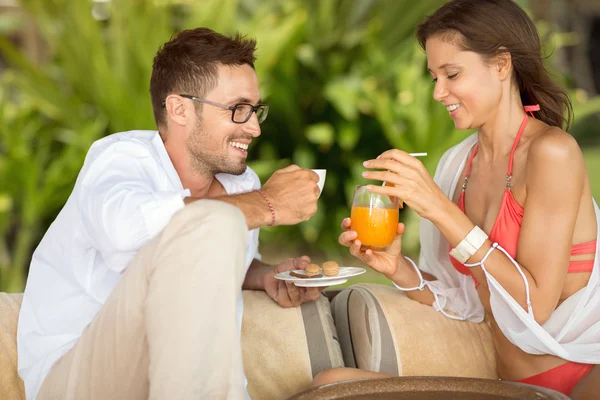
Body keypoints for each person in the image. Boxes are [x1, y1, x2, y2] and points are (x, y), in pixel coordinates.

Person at [313, 0, 600, 398]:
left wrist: (441, 209)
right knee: (330, 387)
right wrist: (399, 268)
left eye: (451, 74)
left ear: (502, 65)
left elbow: (536, 306)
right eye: (434, 77)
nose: (438, 93)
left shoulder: (552, 152)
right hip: (509, 384)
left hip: (581, 374)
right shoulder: (459, 162)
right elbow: (465, 300)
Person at [17, 28, 324, 400]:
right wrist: (268, 205)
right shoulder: (120, 159)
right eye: (238, 109)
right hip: (80, 376)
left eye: (255, 109)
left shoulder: (242, 186)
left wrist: (260, 275)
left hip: (187, 382)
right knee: (216, 221)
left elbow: (192, 259)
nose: (255, 127)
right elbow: (125, 233)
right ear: (179, 108)